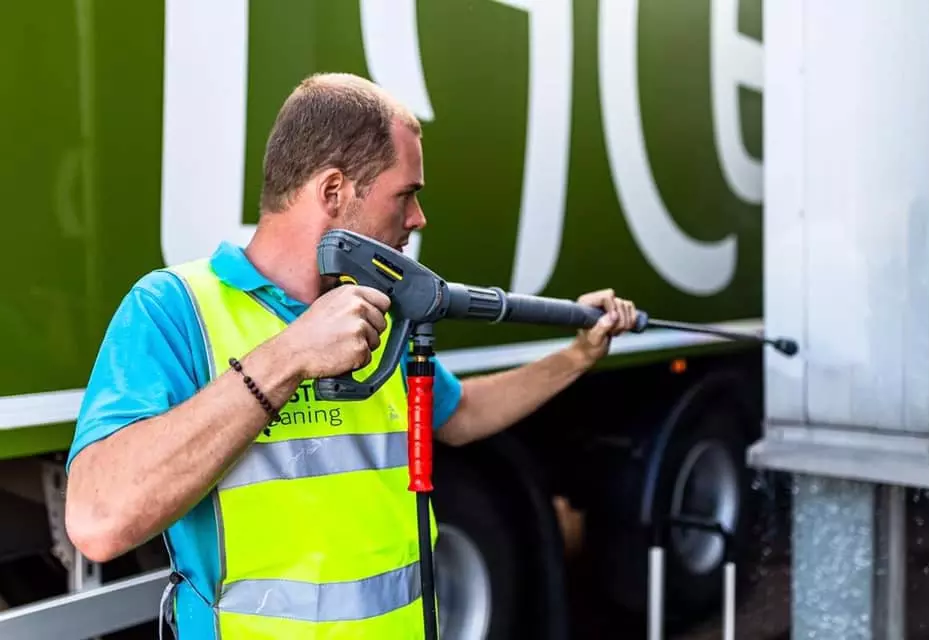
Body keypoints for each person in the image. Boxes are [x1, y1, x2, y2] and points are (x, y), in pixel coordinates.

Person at [64, 72, 639, 639]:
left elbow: (460, 416)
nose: (418, 219)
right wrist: (290, 355)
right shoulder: (174, 308)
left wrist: (577, 356)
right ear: (333, 192)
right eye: (406, 195)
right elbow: (98, 521)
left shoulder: (373, 311)